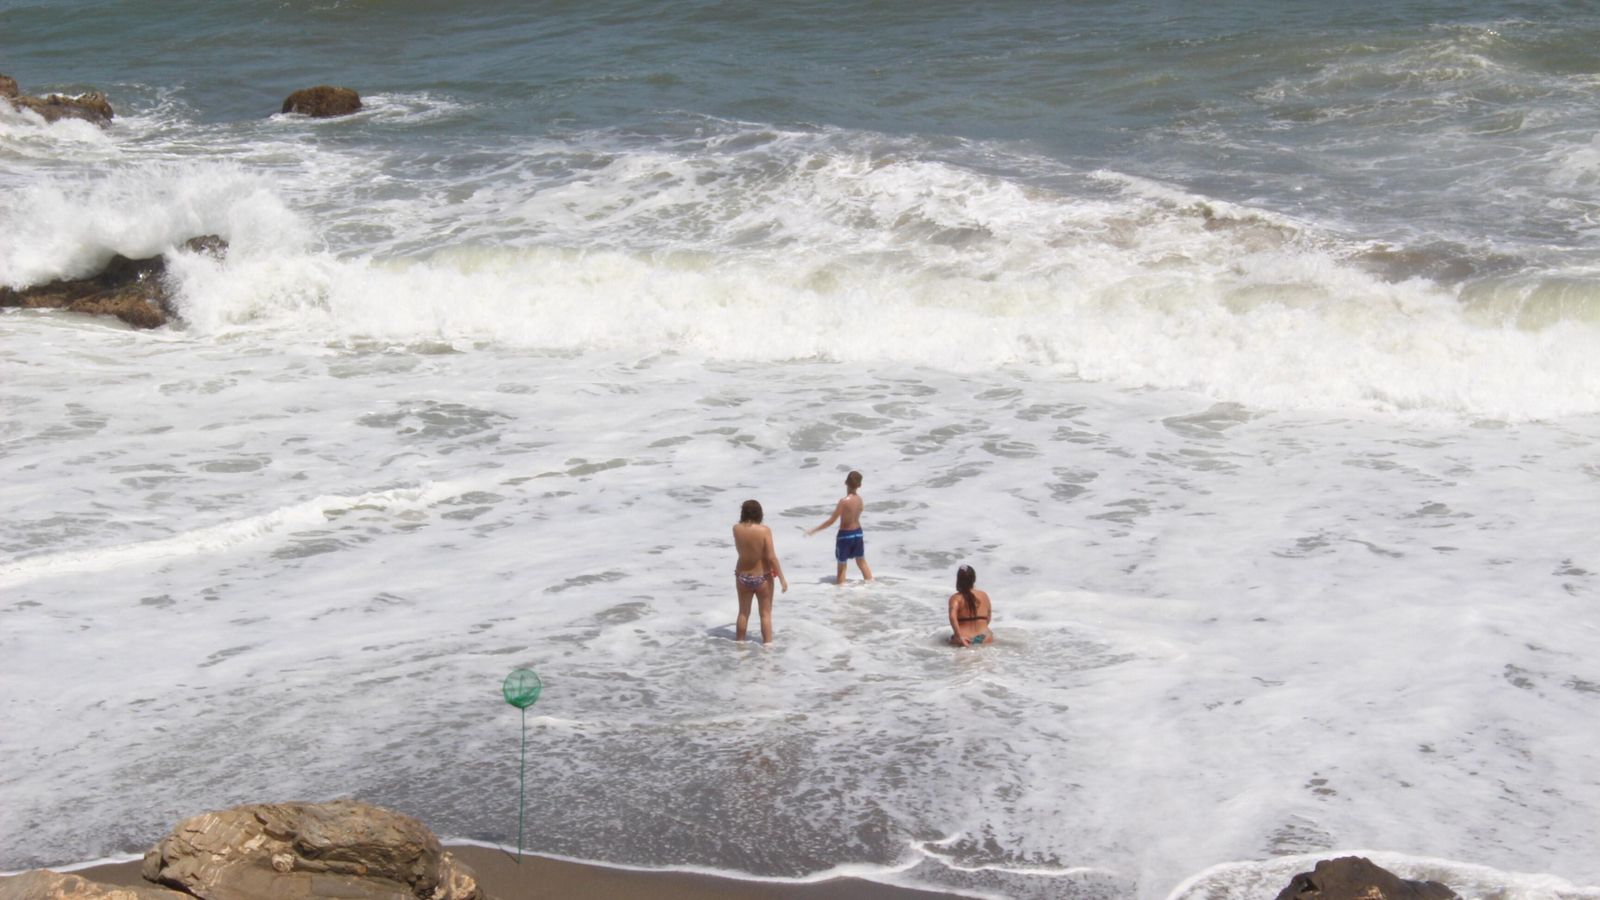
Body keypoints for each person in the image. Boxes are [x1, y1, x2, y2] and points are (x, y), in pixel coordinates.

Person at [733, 499, 788, 644]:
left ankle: (739, 646)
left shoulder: (736, 529)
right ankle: (768, 649)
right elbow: (771, 557)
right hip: (762, 577)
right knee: (765, 615)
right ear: (759, 514)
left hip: (742, 576)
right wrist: (782, 578)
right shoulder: (764, 530)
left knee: (743, 613)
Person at [805, 470, 874, 585]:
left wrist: (815, 530)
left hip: (845, 535)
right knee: (861, 562)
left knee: (842, 566)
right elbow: (860, 511)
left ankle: (841, 596)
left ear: (845, 482)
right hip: (858, 533)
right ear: (860, 485)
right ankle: (872, 585)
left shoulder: (843, 502)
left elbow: (831, 521)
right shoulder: (860, 500)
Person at [948, 565, 992, 647]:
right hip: (985, 636)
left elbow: (952, 616)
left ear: (958, 580)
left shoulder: (956, 598)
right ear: (974, 579)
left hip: (966, 640)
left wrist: (959, 636)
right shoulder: (984, 595)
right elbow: (988, 618)